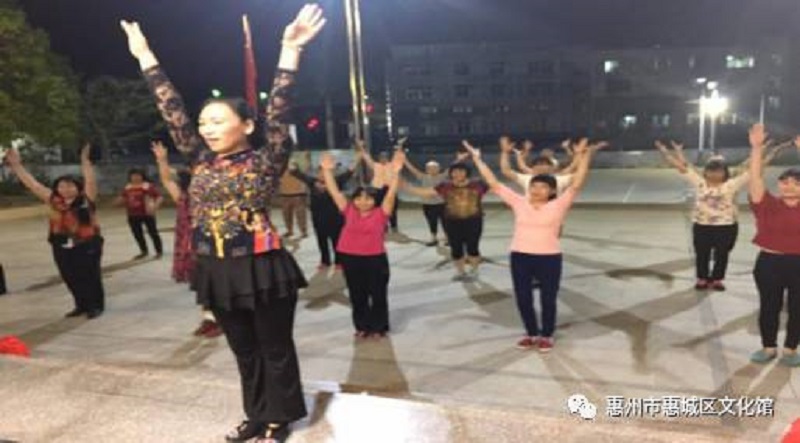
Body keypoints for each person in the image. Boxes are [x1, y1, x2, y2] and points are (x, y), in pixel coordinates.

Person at [121, 5, 325, 441]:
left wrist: (290, 50)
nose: (207, 129)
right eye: (203, 123)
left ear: (247, 124)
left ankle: (280, 416)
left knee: (273, 347)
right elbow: (171, 108)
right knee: (244, 349)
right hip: (215, 267)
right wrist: (145, 57)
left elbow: (280, 110)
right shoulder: (200, 160)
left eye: (217, 121)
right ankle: (256, 414)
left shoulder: (266, 159)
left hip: (262, 266)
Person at [466, 138, 595, 353]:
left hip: (549, 258)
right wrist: (477, 159)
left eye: (543, 187)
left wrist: (583, 156)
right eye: (534, 186)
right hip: (520, 256)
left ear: (551, 191)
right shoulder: (519, 202)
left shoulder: (559, 205)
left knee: (548, 299)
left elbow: (577, 183)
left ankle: (547, 335)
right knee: (523, 298)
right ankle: (531, 332)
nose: (536, 189)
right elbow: (494, 183)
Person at [3, 144, 106, 319]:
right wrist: (16, 165)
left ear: (78, 187)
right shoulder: (53, 200)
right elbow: (33, 185)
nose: (66, 189)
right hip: (61, 244)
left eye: (70, 186)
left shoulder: (86, 199)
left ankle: (95, 305)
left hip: (87, 244)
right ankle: (80, 304)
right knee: (69, 276)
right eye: (62, 186)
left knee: (90, 275)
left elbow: (90, 181)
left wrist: (85, 162)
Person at [321, 149, 404, 339]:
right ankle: (362, 326)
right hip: (350, 258)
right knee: (357, 294)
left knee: (378, 293)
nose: (363, 202)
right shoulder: (349, 210)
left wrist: (396, 173)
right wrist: (327, 171)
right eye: (359, 198)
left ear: (374, 200)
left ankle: (379, 327)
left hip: (375, 258)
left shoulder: (382, 213)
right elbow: (334, 191)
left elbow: (391, 194)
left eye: (368, 198)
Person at [656, 140, 749, 291]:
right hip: (702, 225)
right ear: (705, 172)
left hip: (725, 226)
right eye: (711, 170)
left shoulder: (732, 184)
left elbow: (754, 169)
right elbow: (682, 166)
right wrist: (667, 152)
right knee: (701, 253)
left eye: (718, 171)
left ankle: (717, 279)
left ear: (725, 172)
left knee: (722, 254)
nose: (714, 174)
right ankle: (702, 278)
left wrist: (761, 150)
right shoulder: (700, 182)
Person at [151, 141, 221, 338]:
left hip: (214, 246)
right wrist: (162, 160)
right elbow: (167, 180)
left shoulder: (216, 196)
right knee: (202, 285)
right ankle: (209, 319)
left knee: (215, 284)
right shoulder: (183, 197)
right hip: (192, 247)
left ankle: (219, 320)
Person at [746, 123, 800, 367]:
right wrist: (756, 149)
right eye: (784, 181)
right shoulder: (766, 204)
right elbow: (755, 178)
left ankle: (790, 349)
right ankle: (768, 347)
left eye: (796, 182)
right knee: (769, 306)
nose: (789, 185)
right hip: (769, 263)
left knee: (798, 308)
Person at [403, 142, 488, 281]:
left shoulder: (478, 185)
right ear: (451, 173)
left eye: (461, 171)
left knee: (473, 248)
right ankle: (460, 272)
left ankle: (474, 270)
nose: (457, 173)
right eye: (454, 171)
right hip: (452, 223)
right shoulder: (445, 186)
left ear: (467, 172)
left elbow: (494, 184)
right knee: (456, 249)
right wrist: (404, 186)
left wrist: (478, 159)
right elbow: (425, 192)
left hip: (474, 222)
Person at [289, 150, 362, 270]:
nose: (323, 174)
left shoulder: (337, 180)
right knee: (321, 239)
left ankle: (339, 261)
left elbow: (350, 171)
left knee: (337, 239)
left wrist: (359, 157)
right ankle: (325, 261)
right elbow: (296, 173)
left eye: (326, 172)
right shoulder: (312, 181)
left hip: (335, 216)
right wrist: (291, 158)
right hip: (318, 216)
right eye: (321, 172)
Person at [115, 167, 164, 259]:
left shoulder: (147, 186)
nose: (136, 177)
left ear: (142, 176)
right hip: (132, 214)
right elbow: (122, 198)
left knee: (153, 233)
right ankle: (143, 251)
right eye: (133, 176)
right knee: (138, 234)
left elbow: (159, 197)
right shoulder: (128, 187)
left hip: (147, 214)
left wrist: (155, 206)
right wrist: (117, 202)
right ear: (130, 177)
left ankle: (159, 251)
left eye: (138, 175)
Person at [359, 139, 404, 232]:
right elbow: (366, 157)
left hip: (390, 190)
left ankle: (394, 226)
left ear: (387, 158)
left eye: (385, 157)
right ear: (379, 158)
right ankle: (383, 226)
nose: (383, 159)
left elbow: (397, 156)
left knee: (392, 208)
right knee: (379, 209)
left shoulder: (392, 165)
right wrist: (361, 147)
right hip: (378, 190)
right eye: (381, 157)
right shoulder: (375, 165)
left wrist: (400, 145)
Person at [403, 155, 448, 246]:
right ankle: (434, 238)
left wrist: (460, 159)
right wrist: (404, 160)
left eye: (435, 168)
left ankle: (448, 238)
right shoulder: (423, 177)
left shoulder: (442, 176)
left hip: (441, 204)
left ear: (439, 169)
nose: (432, 170)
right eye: (430, 168)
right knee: (431, 221)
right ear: (427, 170)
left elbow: (451, 169)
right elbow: (413, 170)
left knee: (445, 222)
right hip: (428, 204)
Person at [278, 157, 309, 238]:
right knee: (287, 215)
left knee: (300, 215)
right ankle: (289, 231)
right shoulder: (281, 172)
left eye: (293, 163)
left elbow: (305, 169)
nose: (290, 165)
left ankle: (303, 231)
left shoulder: (298, 173)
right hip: (285, 195)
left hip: (298, 195)